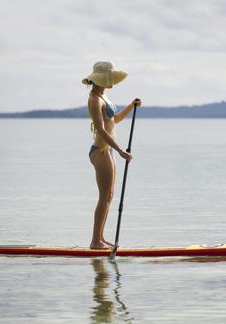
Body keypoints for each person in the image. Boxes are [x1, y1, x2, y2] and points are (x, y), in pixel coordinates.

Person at [82, 61, 142, 249]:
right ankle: (95, 241)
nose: (113, 83)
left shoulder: (104, 97)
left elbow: (114, 120)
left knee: (109, 195)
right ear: (101, 79)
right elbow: (101, 130)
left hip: (108, 151)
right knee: (103, 196)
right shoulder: (94, 99)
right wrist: (120, 150)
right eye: (110, 79)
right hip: (100, 151)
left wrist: (131, 106)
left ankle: (100, 238)